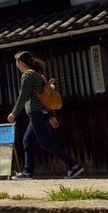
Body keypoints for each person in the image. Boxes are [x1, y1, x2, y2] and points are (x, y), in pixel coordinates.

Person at [8, 51, 83, 179]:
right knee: (27, 142)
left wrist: (14, 113)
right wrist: (52, 115)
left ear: (20, 62)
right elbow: (46, 98)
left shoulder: (27, 75)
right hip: (42, 113)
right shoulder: (38, 75)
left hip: (37, 113)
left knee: (46, 143)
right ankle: (27, 172)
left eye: (16, 62)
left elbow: (23, 96)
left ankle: (74, 166)